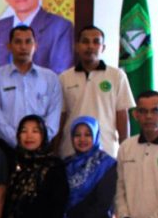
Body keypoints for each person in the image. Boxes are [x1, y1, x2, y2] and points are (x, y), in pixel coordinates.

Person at [0, 25, 62, 161]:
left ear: (35, 46)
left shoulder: (50, 78)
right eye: (18, 42)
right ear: (9, 46)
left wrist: (39, 140)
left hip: (42, 149)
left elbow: (54, 115)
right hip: (7, 149)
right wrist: (18, 141)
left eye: (28, 42)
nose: (23, 47)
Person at [58, 26, 135, 158]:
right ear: (77, 46)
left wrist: (125, 150)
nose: (90, 46)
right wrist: (54, 150)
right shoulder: (64, 78)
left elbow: (122, 115)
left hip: (106, 151)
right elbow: (61, 116)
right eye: (85, 41)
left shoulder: (116, 76)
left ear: (103, 48)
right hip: (71, 151)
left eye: (96, 42)